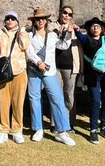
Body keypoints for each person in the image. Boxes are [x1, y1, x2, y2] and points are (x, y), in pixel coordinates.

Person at [25, 8, 76, 146]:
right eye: (37, 19)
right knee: (34, 98)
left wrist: (69, 34)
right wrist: (39, 62)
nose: (40, 21)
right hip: (34, 70)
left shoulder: (52, 36)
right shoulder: (29, 36)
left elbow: (63, 45)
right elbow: (28, 51)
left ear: (46, 21)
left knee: (57, 98)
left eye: (43, 18)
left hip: (49, 71)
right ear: (34, 21)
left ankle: (62, 131)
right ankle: (38, 129)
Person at [0, 11, 30, 144]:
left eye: (13, 19)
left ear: (17, 21)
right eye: (7, 18)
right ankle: (3, 130)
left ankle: (17, 130)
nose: (10, 21)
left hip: (19, 71)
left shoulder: (21, 33)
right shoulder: (0, 32)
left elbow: (25, 46)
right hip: (3, 72)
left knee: (18, 102)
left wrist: (23, 31)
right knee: (3, 102)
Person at [53, 6, 83, 132]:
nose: (66, 16)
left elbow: (82, 46)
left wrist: (76, 31)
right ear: (60, 13)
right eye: (64, 13)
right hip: (55, 66)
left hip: (70, 66)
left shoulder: (76, 30)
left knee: (69, 96)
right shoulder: (53, 28)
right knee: (55, 95)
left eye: (69, 14)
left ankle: (69, 123)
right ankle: (55, 124)